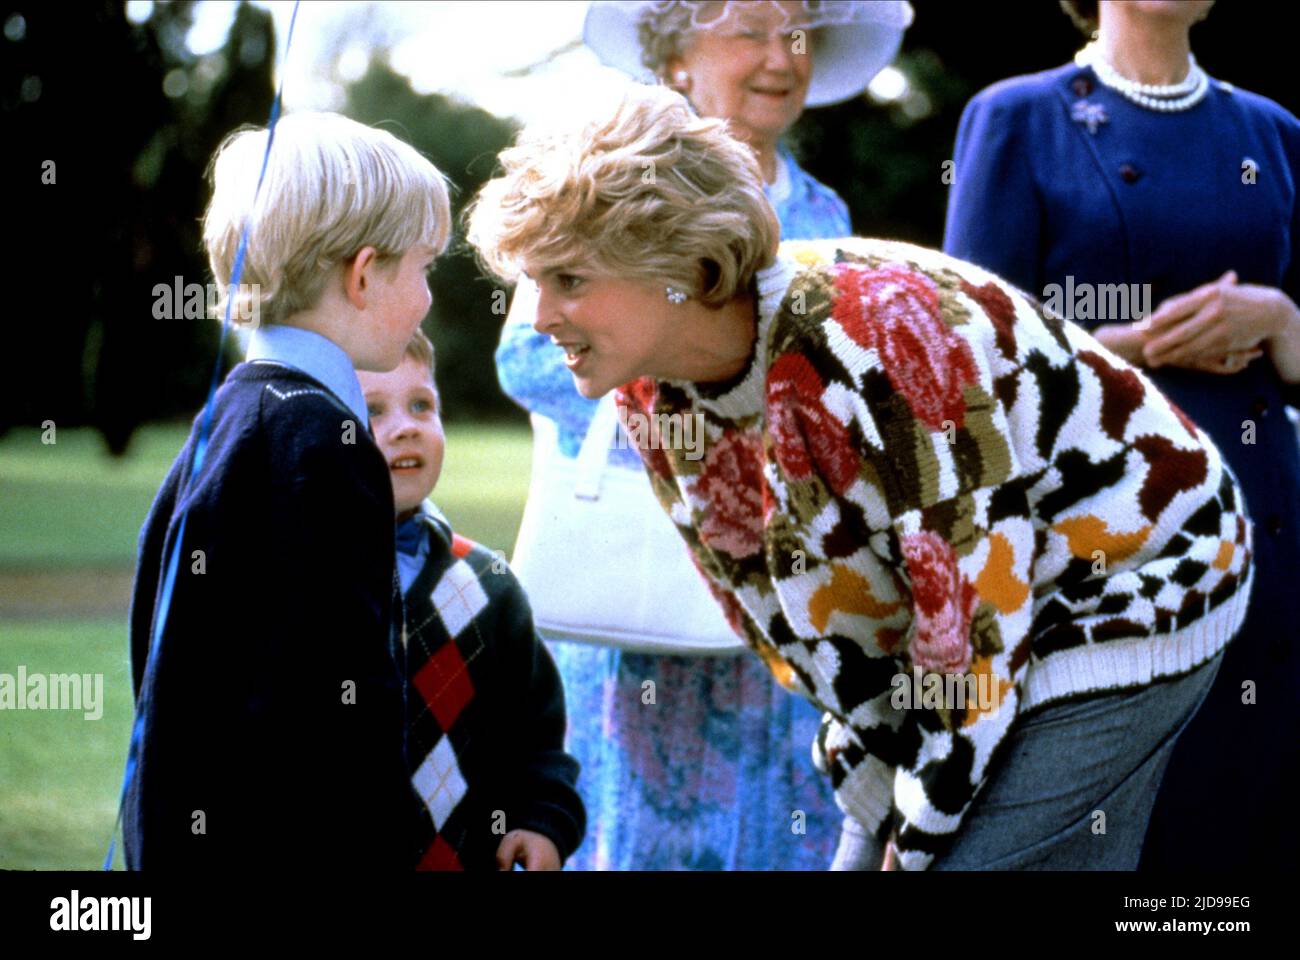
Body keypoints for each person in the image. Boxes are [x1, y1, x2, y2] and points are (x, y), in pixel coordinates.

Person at [466, 84, 1254, 871]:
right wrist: (870, 797)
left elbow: (971, 622)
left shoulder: (878, 336)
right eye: (532, 281)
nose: (537, 315)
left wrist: (914, 837)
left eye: (568, 280)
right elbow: (793, 617)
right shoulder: (652, 389)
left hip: (1140, 569)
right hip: (1005, 603)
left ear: (681, 263)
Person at [495, 0, 912, 871]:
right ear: (673, 54)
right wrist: (699, 406)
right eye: (751, 31)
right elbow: (530, 357)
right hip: (651, 575)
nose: (780, 57)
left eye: (797, 34)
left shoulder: (829, 210)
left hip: (796, 589)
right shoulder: (612, 179)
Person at [943, 0, 1300, 869]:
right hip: (1106, 535)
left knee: (1248, 812)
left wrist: (1281, 317)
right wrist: (1130, 348)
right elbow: (966, 359)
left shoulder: (1274, 130)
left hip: (1264, 523)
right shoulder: (1019, 116)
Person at [124, 113, 450, 869]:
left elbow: (159, 653)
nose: (432, 298)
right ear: (364, 275)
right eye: (426, 267)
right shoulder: (325, 447)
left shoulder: (227, 419)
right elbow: (344, 704)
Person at [356, 330, 585, 870]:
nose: (406, 426)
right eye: (373, 412)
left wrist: (540, 822)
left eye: (421, 405)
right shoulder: (299, 582)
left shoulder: (488, 585)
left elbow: (539, 742)